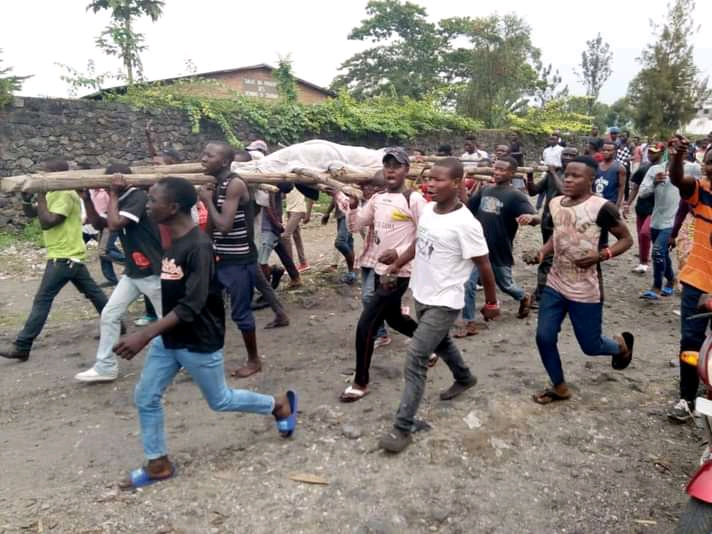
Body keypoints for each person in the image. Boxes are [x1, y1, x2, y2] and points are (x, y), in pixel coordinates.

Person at [111, 176, 297, 489]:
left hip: (198, 340)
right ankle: (158, 464)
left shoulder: (198, 247)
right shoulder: (172, 236)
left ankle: (277, 405)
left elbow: (191, 306)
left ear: (172, 208)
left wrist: (145, 334)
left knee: (220, 400)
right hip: (170, 338)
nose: (148, 204)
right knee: (146, 396)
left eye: (153, 200)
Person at [377, 158, 500, 453]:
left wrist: (492, 302)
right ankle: (464, 377)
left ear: (457, 183)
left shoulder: (466, 224)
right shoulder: (430, 212)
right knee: (442, 342)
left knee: (416, 356)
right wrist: (396, 264)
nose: (431, 184)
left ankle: (402, 427)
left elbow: (484, 265)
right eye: (430, 179)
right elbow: (419, 243)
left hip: (445, 300)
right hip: (422, 292)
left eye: (439, 180)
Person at [524, 156, 634, 404]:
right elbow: (559, 235)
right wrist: (542, 252)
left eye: (576, 176)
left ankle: (621, 346)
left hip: (586, 287)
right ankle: (559, 387)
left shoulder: (602, 207)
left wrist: (601, 255)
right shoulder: (554, 203)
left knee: (591, 346)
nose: (569, 180)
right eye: (567, 175)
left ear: (591, 179)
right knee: (544, 336)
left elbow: (627, 240)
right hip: (556, 281)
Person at [338, 147, 426, 402]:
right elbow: (356, 225)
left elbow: (425, 235)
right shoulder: (377, 199)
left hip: (400, 272)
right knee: (396, 319)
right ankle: (432, 347)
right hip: (379, 270)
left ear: (406, 170)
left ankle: (360, 382)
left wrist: (398, 255)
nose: (391, 169)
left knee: (367, 324)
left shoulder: (414, 199)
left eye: (396, 165)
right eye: (387, 165)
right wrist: (353, 207)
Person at [0, 160, 108, 361]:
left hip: (64, 256)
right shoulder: (53, 193)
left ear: (55, 174)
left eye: (44, 172)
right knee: (93, 293)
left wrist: (40, 193)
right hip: (67, 254)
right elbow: (34, 213)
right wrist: (27, 199)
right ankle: (117, 323)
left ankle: (22, 345)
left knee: (43, 300)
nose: (40, 174)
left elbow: (48, 222)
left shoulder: (66, 193)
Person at [75, 164, 163, 382]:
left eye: (110, 184)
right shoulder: (122, 200)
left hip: (151, 269)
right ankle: (105, 366)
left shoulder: (138, 196)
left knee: (168, 319)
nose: (106, 189)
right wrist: (87, 198)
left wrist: (112, 193)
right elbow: (99, 224)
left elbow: (115, 224)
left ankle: (192, 359)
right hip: (134, 271)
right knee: (110, 314)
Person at [197, 142, 263, 378]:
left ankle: (254, 360)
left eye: (209, 155)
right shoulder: (216, 185)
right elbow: (213, 226)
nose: (203, 158)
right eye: (204, 154)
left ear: (224, 162)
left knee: (240, 312)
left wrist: (206, 200)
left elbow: (224, 226)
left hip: (238, 258)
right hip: (220, 256)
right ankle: (208, 355)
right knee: (208, 306)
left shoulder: (234, 184)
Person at [667, 138, 712, 423]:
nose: (711, 166)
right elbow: (679, 181)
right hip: (697, 280)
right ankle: (686, 397)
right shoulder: (701, 190)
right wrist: (677, 158)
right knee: (690, 341)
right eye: (709, 161)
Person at [467, 157, 539, 319]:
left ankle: (523, 297)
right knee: (468, 284)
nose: (497, 172)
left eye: (502, 170)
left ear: (512, 173)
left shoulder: (515, 196)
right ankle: (469, 321)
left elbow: (536, 218)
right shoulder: (486, 190)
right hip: (478, 247)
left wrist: (529, 218)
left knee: (505, 285)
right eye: (496, 169)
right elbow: (468, 208)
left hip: (499, 247)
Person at [526, 146, 579, 303]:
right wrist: (529, 177)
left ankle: (541, 295)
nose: (567, 157)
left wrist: (553, 172)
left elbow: (565, 191)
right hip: (548, 220)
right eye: (565, 154)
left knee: (551, 257)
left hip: (565, 222)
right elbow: (533, 191)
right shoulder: (552, 174)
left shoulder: (576, 176)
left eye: (572, 154)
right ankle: (551, 290)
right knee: (550, 256)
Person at [353, 171, 391, 349]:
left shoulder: (388, 205)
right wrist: (352, 206)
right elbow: (354, 225)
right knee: (368, 297)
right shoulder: (371, 203)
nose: (372, 190)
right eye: (369, 186)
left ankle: (380, 332)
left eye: (377, 187)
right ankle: (380, 331)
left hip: (383, 260)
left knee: (370, 297)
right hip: (368, 257)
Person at [636, 149, 679, 300]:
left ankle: (656, 286)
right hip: (657, 219)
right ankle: (672, 280)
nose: (675, 151)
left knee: (658, 251)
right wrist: (654, 183)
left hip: (675, 221)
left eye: (680, 148)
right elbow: (642, 193)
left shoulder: (691, 169)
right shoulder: (656, 169)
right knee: (662, 253)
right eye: (673, 147)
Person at [257, 185, 303, 289]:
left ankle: (267, 288)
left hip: (266, 226)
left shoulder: (269, 179)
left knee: (261, 262)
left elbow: (288, 187)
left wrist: (275, 222)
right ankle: (291, 276)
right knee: (281, 251)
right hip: (266, 224)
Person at [625, 145, 660, 274]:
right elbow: (635, 187)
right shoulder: (643, 168)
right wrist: (627, 204)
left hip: (657, 208)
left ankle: (655, 260)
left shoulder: (664, 170)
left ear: (661, 154)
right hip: (642, 206)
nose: (651, 155)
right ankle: (643, 262)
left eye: (654, 153)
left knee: (645, 233)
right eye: (650, 152)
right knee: (641, 236)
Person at [322, 195, 356, 284]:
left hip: (348, 213)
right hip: (342, 214)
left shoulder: (348, 184)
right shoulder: (337, 188)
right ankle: (351, 273)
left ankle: (352, 270)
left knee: (340, 242)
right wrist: (327, 212)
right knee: (348, 241)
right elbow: (335, 197)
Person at [282, 186, 311, 273]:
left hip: (298, 209)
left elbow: (311, 196)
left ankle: (290, 266)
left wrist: (308, 213)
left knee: (285, 236)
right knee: (296, 236)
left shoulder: (300, 179)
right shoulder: (288, 177)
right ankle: (303, 263)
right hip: (290, 208)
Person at [594, 142, 625, 207]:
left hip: (610, 203)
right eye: (604, 150)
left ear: (614, 152)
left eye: (609, 150)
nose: (605, 152)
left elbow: (621, 187)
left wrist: (618, 204)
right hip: (596, 201)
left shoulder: (620, 168)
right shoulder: (597, 165)